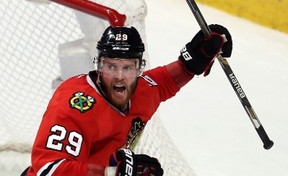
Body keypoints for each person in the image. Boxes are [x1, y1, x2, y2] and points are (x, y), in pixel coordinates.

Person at [21, 24, 232, 176]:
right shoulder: (75, 106)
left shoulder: (143, 90)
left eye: (128, 67)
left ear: (139, 68)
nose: (119, 76)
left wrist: (196, 59)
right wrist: (113, 172)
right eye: (111, 66)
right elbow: (48, 170)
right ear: (99, 66)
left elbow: (169, 79)